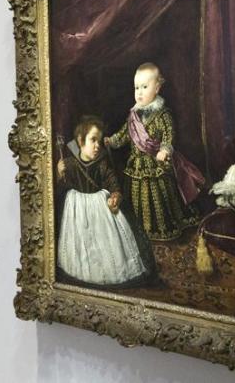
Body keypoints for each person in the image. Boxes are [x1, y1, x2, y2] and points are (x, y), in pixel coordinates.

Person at [105, 62, 204, 241]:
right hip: (136, 163)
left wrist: (165, 151)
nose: (139, 92)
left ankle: (161, 228)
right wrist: (110, 141)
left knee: (159, 196)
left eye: (144, 87)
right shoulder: (133, 116)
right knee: (137, 198)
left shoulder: (162, 114)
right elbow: (123, 134)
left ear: (157, 88)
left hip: (155, 162)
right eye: (136, 88)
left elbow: (169, 135)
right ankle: (139, 229)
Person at [54, 115, 150, 286]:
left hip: (100, 211)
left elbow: (113, 183)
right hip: (77, 211)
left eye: (99, 140)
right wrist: (58, 173)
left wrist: (115, 197)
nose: (97, 145)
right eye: (93, 140)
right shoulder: (69, 164)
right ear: (80, 141)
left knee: (107, 246)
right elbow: (60, 188)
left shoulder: (102, 164)